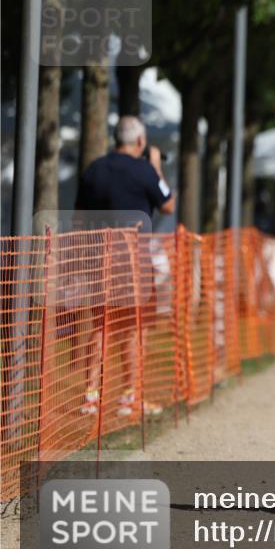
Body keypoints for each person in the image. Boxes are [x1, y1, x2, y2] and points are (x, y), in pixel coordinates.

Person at [75, 115, 175, 417]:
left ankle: (90, 396)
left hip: (100, 257)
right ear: (140, 142)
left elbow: (80, 218)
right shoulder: (145, 170)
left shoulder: (94, 169)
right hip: (132, 260)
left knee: (101, 325)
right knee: (132, 326)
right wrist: (156, 164)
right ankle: (130, 396)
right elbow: (168, 203)